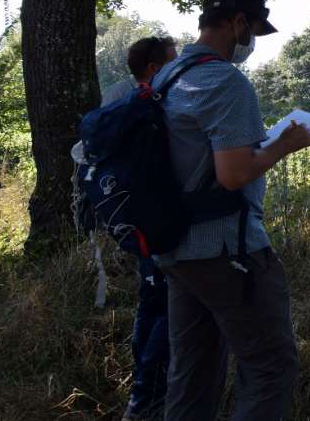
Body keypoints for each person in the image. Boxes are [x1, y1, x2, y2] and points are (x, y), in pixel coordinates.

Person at [154, 0, 310, 420]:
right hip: (227, 250)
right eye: (255, 30)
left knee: (192, 371)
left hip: (175, 248)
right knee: (269, 367)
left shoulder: (169, 76)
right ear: (238, 23)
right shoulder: (225, 80)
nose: (253, 43)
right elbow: (234, 174)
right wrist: (285, 145)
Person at [110, 37, 177, 421]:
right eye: (170, 63)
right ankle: (147, 399)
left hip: (136, 222)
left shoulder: (124, 103)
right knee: (169, 306)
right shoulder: (151, 106)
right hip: (159, 223)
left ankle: (143, 388)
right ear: (153, 69)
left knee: (150, 301)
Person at [102, 36, 178, 106]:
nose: (178, 67)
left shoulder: (174, 92)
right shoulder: (117, 96)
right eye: (174, 63)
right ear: (153, 68)